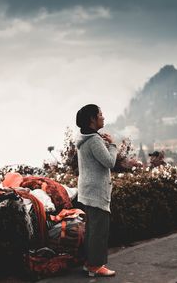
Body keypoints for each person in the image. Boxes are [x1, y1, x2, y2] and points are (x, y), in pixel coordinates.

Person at [76, 104, 117, 277]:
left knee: (92, 229)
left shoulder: (85, 138)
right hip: (96, 191)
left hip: (87, 190)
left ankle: (89, 262)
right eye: (100, 114)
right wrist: (113, 145)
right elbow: (110, 162)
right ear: (92, 119)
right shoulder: (93, 140)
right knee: (99, 230)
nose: (103, 117)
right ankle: (96, 265)